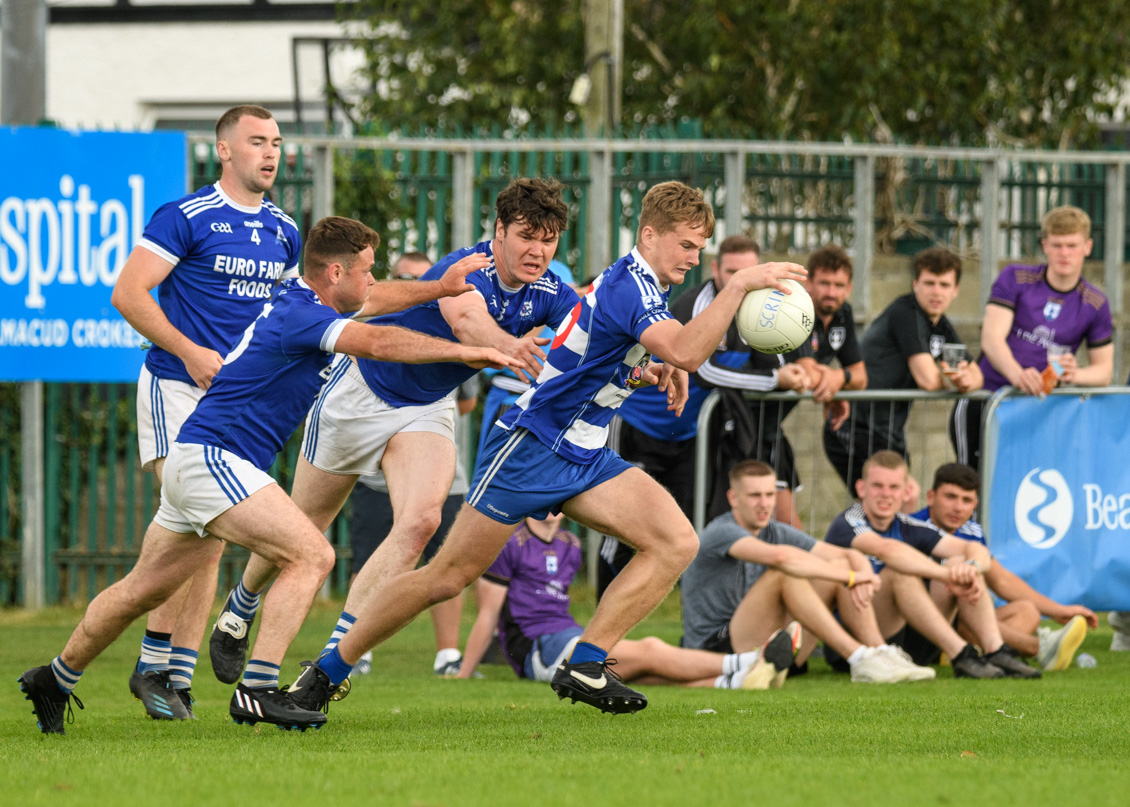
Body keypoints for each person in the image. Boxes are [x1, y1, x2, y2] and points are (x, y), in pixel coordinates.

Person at [285, 180, 808, 716]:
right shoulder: (633, 283)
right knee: (446, 577)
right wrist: (738, 286)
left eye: (701, 250)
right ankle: (326, 672)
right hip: (532, 446)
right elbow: (687, 350)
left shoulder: (644, 285)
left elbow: (610, 350)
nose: (694, 259)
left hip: (584, 452)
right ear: (649, 235)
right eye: (688, 247)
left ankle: (586, 663)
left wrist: (648, 371)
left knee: (676, 542)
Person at [17, 217, 519, 735]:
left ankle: (54, 678)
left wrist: (438, 287)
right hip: (215, 457)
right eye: (366, 271)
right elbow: (379, 344)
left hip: (199, 460)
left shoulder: (310, 298)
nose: (373, 281)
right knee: (312, 555)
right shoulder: (304, 316)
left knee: (140, 591)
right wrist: (466, 352)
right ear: (335, 272)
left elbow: (382, 300)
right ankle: (257, 689)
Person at [207, 178, 580, 688]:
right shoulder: (468, 268)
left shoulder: (550, 291)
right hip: (360, 391)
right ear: (498, 230)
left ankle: (336, 657)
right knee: (306, 523)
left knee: (421, 522)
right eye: (526, 235)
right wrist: (506, 346)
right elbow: (469, 321)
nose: (538, 250)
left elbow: (590, 332)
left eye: (549, 239)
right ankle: (241, 604)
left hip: (426, 407)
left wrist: (644, 362)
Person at [109, 104, 302, 720]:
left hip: (235, 406)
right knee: (204, 528)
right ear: (224, 150)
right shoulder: (186, 216)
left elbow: (291, 319)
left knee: (205, 535)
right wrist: (190, 350)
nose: (270, 153)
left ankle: (168, 673)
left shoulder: (284, 231)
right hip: (175, 387)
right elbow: (128, 292)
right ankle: (155, 665)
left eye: (276, 142)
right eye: (256, 141)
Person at [596, 234, 808, 596]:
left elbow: (770, 362)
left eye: (747, 270)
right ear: (715, 269)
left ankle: (675, 597)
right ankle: (602, 597)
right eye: (732, 271)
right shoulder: (694, 304)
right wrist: (775, 379)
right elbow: (702, 370)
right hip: (638, 424)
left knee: (682, 523)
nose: (739, 277)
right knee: (621, 524)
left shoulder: (761, 309)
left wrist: (799, 373)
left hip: (687, 433)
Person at [457, 512, 798, 690]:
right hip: (541, 649)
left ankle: (735, 683)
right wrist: (463, 674)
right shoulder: (510, 543)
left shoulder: (571, 546)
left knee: (642, 669)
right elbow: (488, 613)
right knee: (649, 648)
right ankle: (748, 661)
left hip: (571, 633)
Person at [680, 460, 934, 684]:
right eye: (754, 495)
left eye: (770, 494)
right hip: (715, 649)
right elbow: (782, 557)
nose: (764, 503)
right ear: (734, 498)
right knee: (784, 572)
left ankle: (879, 653)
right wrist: (851, 578)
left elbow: (847, 554)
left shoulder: (775, 530)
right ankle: (858, 657)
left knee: (839, 565)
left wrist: (861, 573)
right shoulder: (721, 531)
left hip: (768, 644)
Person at [823, 450, 1041, 679]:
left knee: (959, 562)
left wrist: (971, 568)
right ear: (861, 489)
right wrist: (949, 576)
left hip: (906, 637)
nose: (886, 494)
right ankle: (962, 653)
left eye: (894, 487)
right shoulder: (849, 521)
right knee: (900, 571)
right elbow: (886, 550)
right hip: (857, 643)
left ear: (906, 492)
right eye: (878, 486)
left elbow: (977, 550)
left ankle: (995, 649)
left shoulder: (907, 525)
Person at [950, 206, 1113, 470]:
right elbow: (991, 339)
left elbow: (1103, 372)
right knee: (971, 486)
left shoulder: (1095, 303)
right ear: (1045, 245)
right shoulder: (1015, 278)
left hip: (1040, 410)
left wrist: (1074, 374)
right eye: (1057, 245)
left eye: (1072, 245)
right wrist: (1018, 375)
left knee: (1024, 491)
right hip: (987, 400)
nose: (1064, 253)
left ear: (1088, 247)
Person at [908, 463, 1096, 671]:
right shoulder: (913, 527)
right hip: (920, 626)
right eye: (950, 497)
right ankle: (1039, 648)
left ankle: (968, 651)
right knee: (962, 584)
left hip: (957, 621)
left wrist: (1058, 611)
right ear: (931, 496)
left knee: (1027, 611)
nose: (958, 507)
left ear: (975, 504)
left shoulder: (972, 531)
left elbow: (1001, 580)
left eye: (967, 500)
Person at [825, 248, 982, 491]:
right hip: (855, 427)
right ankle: (848, 530)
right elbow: (928, 380)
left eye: (944, 284)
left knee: (901, 500)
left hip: (888, 433)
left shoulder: (939, 326)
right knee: (891, 503)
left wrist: (965, 380)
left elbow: (976, 374)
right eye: (929, 283)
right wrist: (955, 380)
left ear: (956, 290)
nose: (936, 292)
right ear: (915, 284)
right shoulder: (906, 313)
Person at [805, 245, 869, 477]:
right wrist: (831, 384)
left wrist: (837, 379)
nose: (831, 292)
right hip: (744, 412)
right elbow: (805, 373)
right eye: (824, 283)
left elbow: (860, 378)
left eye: (839, 285)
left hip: (769, 425)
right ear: (808, 283)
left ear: (849, 288)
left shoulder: (843, 314)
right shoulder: (794, 311)